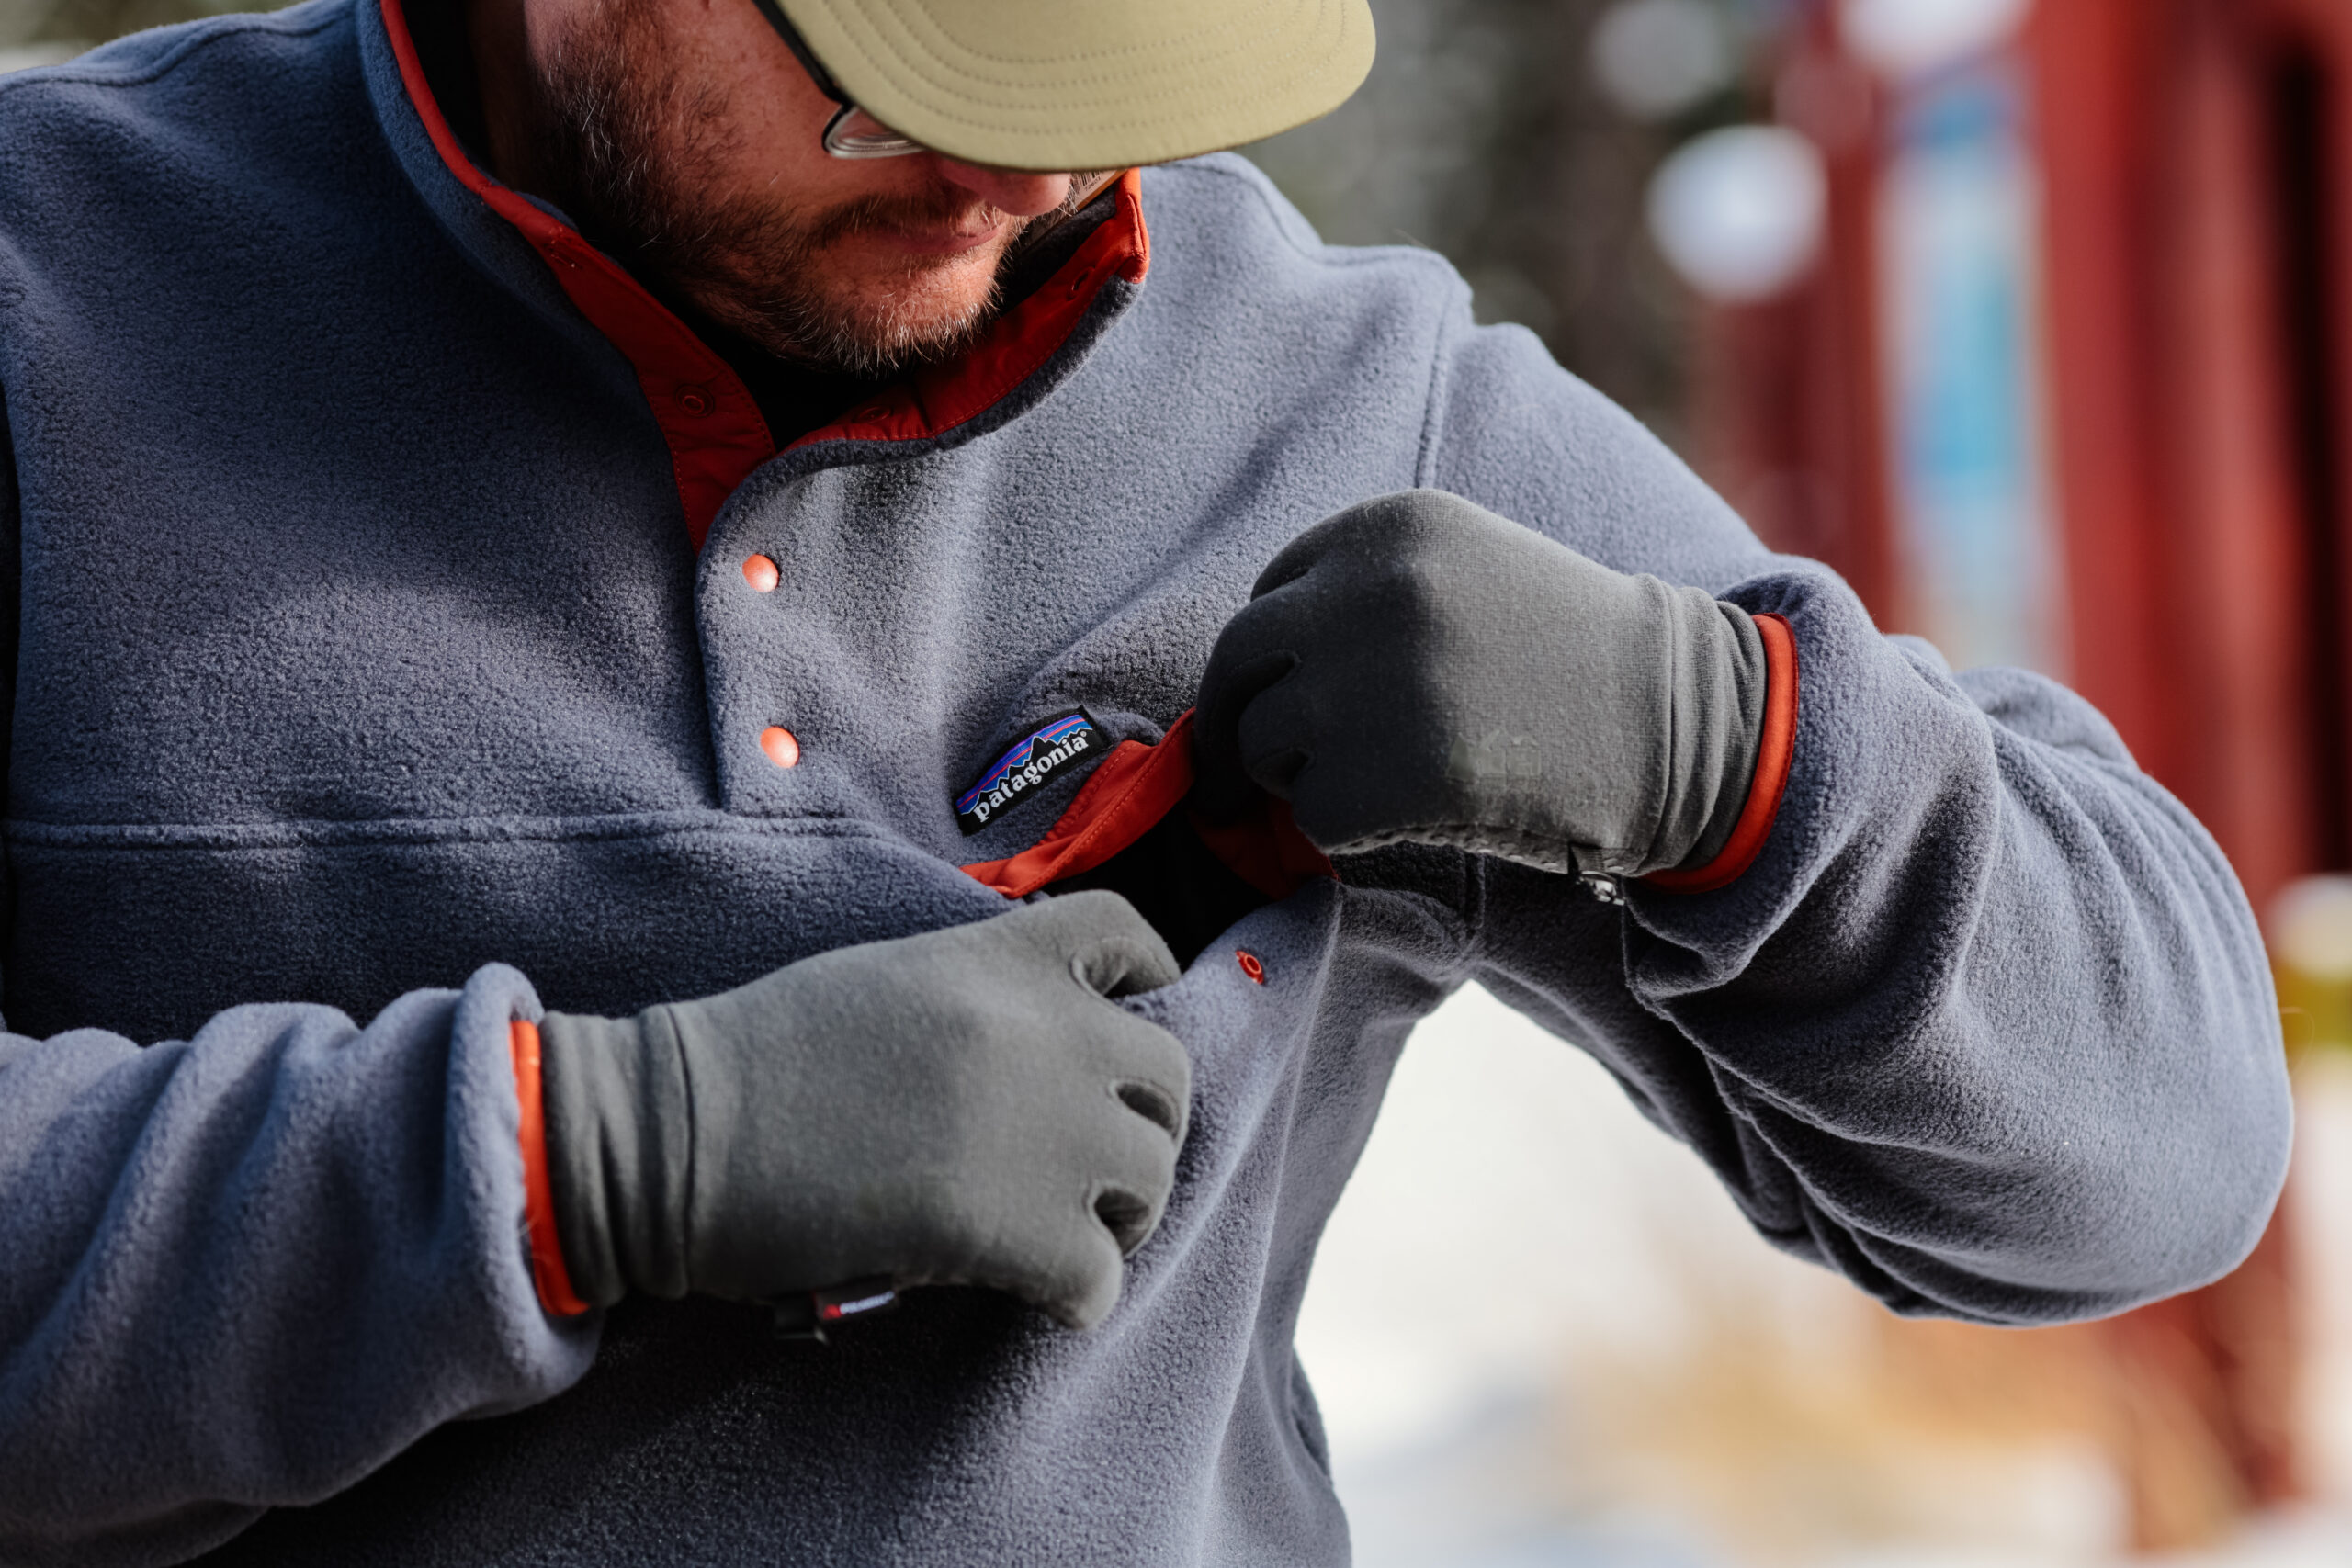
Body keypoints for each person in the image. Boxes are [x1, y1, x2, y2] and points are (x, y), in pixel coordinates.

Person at [0, 0, 2290, 1559]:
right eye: (904, 62)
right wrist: (578, 1166)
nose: (1011, 159)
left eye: (1102, 50)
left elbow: (2155, 1154)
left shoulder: (1336, 401)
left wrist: (1734, 762)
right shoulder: (49, 291)